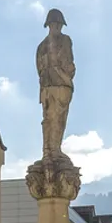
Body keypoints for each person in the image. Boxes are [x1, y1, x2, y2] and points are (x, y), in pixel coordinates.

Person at [35, 8, 75, 158]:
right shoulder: (65, 40)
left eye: (58, 25)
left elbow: (39, 68)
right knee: (57, 118)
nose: (57, 27)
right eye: (56, 24)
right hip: (60, 83)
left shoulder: (41, 46)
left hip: (47, 86)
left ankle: (49, 150)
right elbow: (67, 61)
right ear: (51, 25)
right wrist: (69, 72)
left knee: (50, 119)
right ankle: (53, 150)